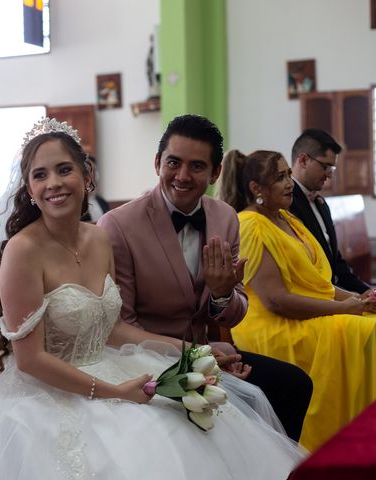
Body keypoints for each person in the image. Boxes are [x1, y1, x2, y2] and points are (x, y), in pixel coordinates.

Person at [0, 118, 304, 480]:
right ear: (29, 187)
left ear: (86, 176)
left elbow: (114, 330)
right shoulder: (22, 251)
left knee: (200, 427)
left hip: (110, 364)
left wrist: (192, 352)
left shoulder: (98, 239)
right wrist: (114, 392)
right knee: (151, 443)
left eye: (64, 169)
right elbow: (30, 359)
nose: (53, 183)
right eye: (40, 175)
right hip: (47, 391)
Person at [98, 114, 312, 443]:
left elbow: (236, 310)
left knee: (294, 385)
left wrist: (222, 294)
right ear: (157, 163)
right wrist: (202, 356)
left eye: (197, 166)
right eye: (173, 162)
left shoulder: (224, 217)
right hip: (144, 361)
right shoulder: (119, 226)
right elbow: (122, 331)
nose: (182, 176)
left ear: (215, 172)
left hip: (209, 353)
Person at [218, 148, 376, 451]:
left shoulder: (288, 219)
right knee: (366, 330)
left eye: (288, 174)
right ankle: (328, 437)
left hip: (303, 311)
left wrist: (359, 298)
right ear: (257, 189)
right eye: (279, 177)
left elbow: (318, 285)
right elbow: (276, 301)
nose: (289, 183)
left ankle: (357, 423)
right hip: (271, 324)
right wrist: (343, 309)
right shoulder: (251, 225)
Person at [289, 128, 376, 351]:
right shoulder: (288, 205)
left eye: (333, 167)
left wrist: (365, 290)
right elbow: (302, 271)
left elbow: (336, 261)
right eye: (326, 166)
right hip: (318, 300)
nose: (330, 174)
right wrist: (349, 298)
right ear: (303, 160)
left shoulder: (320, 203)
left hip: (339, 293)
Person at [80, 155, 110, 223]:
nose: (92, 174)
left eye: (95, 170)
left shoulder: (102, 202)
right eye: (88, 170)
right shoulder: (77, 204)